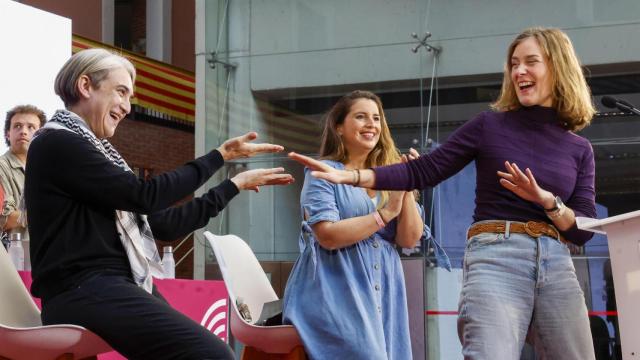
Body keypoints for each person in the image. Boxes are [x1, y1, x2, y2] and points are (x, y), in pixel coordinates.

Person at [289, 27, 597, 359]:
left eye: (530, 62)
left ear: (558, 66)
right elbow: (423, 170)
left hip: (557, 264)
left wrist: (548, 202)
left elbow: (583, 229)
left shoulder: (580, 149)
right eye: (513, 63)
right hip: (497, 257)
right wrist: (352, 176)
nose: (518, 71)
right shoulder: (489, 126)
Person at [24, 48, 294, 360]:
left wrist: (232, 186)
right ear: (85, 86)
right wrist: (219, 156)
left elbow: (163, 224)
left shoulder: (94, 152)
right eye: (121, 92)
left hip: (107, 286)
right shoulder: (57, 142)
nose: (127, 107)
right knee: (214, 356)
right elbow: (144, 195)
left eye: (130, 97)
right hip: (83, 289)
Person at [282, 90, 425, 360]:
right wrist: (385, 213)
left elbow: (409, 239)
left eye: (376, 118)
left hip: (384, 288)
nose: (371, 124)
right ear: (339, 127)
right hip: (335, 289)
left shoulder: (389, 173)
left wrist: (407, 183)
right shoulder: (323, 172)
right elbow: (327, 235)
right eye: (361, 117)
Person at [0, 105, 45, 260]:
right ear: (8, 134)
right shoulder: (1, 167)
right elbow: (4, 219)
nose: (24, 131)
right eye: (17, 126)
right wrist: (48, 212)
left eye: (31, 127)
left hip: (45, 258)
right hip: (14, 260)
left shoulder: (47, 170)